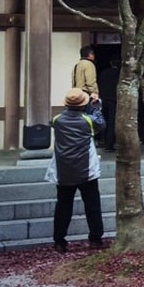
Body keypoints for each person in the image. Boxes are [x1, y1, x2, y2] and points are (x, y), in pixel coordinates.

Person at [46, 87, 106, 253]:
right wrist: (95, 107)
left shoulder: (57, 120)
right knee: (92, 205)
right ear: (83, 105)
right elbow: (100, 123)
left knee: (63, 206)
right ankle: (95, 238)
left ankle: (59, 240)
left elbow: (53, 120)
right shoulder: (87, 121)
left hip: (64, 169)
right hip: (86, 169)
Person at [96, 56, 120, 152]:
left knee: (102, 120)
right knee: (111, 122)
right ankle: (109, 144)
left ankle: (102, 140)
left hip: (103, 99)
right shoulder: (119, 74)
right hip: (114, 100)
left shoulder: (103, 73)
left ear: (111, 63)